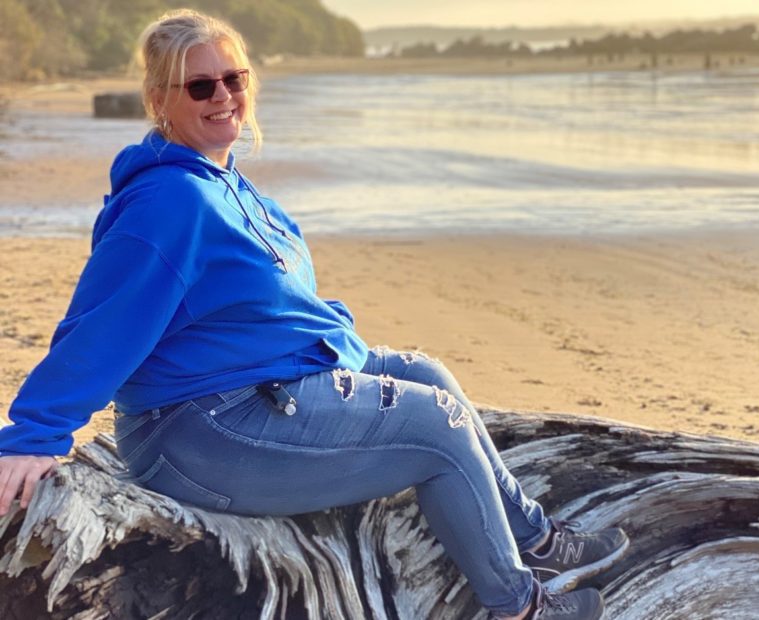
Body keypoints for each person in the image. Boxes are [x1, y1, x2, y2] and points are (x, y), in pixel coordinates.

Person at [0, 10, 628, 619]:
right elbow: (105, 321)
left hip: (256, 387)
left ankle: (536, 541)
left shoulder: (224, 182)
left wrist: (331, 336)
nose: (222, 96)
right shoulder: (170, 203)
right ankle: (517, 606)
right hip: (202, 433)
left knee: (430, 375)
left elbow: (258, 301)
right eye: (199, 85)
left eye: (233, 79)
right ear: (161, 99)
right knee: (440, 429)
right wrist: (35, 431)